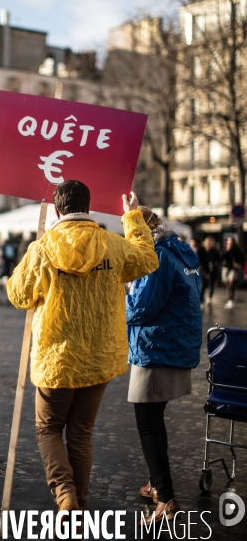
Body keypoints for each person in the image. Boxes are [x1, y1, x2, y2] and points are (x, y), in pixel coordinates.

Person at [7, 180, 158, 530]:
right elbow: (147, 258)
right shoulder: (111, 245)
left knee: (47, 430)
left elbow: (17, 294)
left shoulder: (43, 248)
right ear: (88, 207)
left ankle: (66, 497)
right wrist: (132, 215)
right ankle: (80, 502)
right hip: (97, 358)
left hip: (56, 362)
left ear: (58, 210)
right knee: (81, 433)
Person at [126, 207, 202, 525]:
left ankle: (166, 497)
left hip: (157, 348)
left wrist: (119, 298)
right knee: (155, 419)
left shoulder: (156, 256)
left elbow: (143, 307)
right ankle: (157, 484)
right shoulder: (178, 249)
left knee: (147, 421)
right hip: (175, 345)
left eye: (131, 232)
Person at [221, 236, 245, 309]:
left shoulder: (237, 250)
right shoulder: (226, 249)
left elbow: (241, 258)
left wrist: (238, 264)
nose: (229, 243)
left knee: (232, 284)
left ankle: (231, 299)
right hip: (226, 267)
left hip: (233, 268)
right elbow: (222, 257)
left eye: (231, 242)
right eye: (228, 242)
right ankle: (229, 299)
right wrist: (227, 250)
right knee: (227, 284)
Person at [190, 237, 209, 308]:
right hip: (191, 271)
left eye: (193, 242)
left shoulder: (202, 250)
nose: (192, 243)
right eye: (191, 242)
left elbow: (205, 261)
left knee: (200, 287)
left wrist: (206, 271)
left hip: (200, 271)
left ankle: (201, 301)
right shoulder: (189, 249)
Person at [203, 236, 220, 305]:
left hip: (213, 269)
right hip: (205, 269)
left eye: (213, 242)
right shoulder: (204, 251)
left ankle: (210, 297)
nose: (212, 244)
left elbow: (218, 259)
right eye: (211, 242)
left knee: (212, 284)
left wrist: (217, 263)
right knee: (204, 284)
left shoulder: (215, 251)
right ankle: (202, 297)